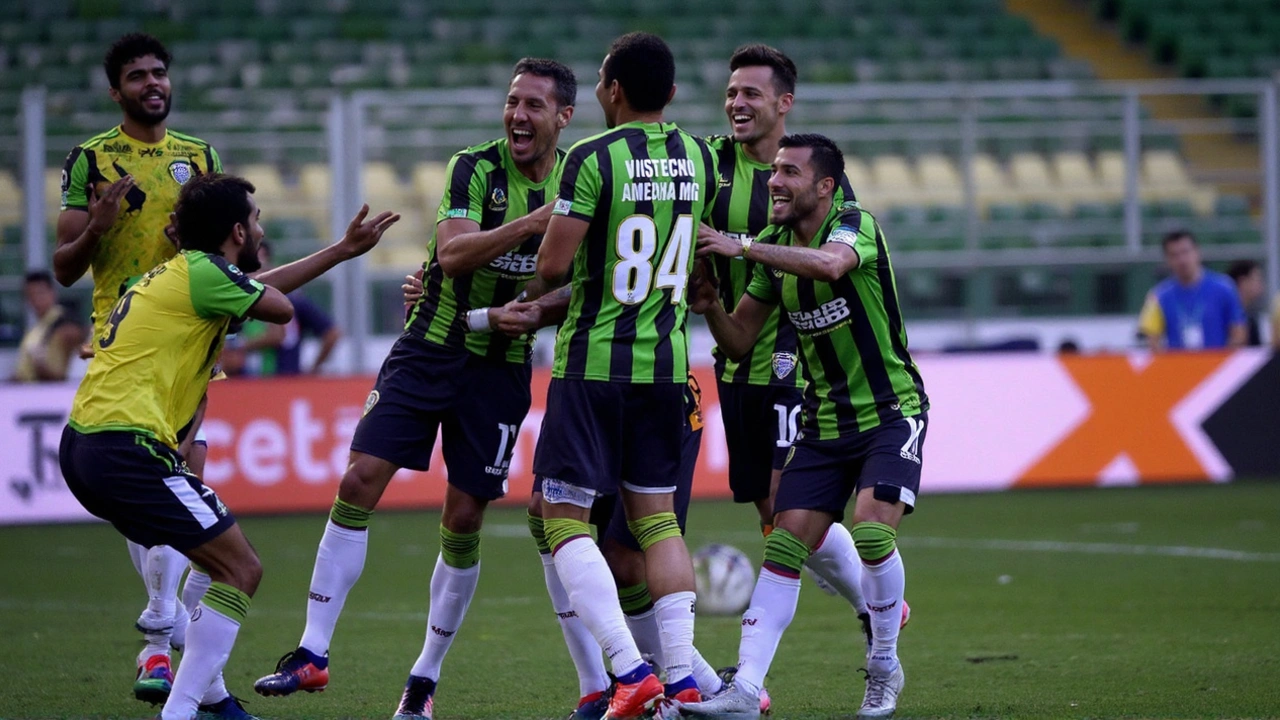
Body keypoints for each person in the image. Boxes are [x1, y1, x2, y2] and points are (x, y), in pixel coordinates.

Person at [252, 58, 577, 720]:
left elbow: (585, 282)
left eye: (533, 105)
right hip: (428, 348)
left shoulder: (583, 178)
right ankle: (313, 652)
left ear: (563, 117)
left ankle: (422, 682)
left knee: (463, 519)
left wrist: (541, 308)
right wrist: (537, 221)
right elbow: (453, 255)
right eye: (512, 100)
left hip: (501, 369)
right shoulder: (475, 167)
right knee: (359, 479)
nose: (516, 114)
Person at [59, 172, 397, 720]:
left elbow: (262, 292)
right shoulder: (205, 274)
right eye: (257, 220)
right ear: (238, 231)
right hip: (126, 448)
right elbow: (281, 310)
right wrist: (333, 254)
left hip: (85, 446)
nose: (261, 229)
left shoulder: (179, 274)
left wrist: (339, 250)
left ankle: (215, 701)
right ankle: (182, 709)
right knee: (240, 569)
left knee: (210, 562)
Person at [681, 134, 928, 720]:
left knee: (871, 534)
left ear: (824, 185)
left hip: (891, 412)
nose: (774, 182)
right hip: (824, 423)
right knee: (786, 539)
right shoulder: (771, 245)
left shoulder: (854, 224)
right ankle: (744, 691)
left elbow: (830, 264)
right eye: (773, 173)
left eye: (789, 172)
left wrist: (739, 249)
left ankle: (884, 667)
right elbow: (740, 342)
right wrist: (712, 304)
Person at [520, 32, 717, 719]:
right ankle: (685, 677)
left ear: (611, 91)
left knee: (559, 516)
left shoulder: (591, 157)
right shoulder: (697, 156)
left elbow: (550, 268)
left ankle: (630, 673)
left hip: (594, 366)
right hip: (667, 366)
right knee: (658, 522)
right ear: (668, 93)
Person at [697, 45, 898, 644]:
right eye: (732, 93)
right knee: (769, 516)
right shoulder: (710, 165)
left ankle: (873, 606)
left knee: (789, 505)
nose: (737, 103)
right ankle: (875, 604)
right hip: (737, 352)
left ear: (784, 103)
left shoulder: (813, 181)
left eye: (751, 94)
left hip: (796, 358)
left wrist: (741, 247)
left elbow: (834, 258)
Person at [52, 32, 224, 707]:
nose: (151, 83)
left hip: (191, 337)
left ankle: (161, 641)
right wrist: (95, 226)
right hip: (120, 344)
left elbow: (223, 240)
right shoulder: (92, 159)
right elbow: (65, 266)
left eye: (158, 73)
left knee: (182, 480)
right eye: (136, 76)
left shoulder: (197, 156)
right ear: (115, 89)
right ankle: (163, 637)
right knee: (151, 495)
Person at [225, 241, 341, 376]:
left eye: (261, 260)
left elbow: (332, 333)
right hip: (246, 385)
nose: (258, 267)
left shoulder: (292, 301)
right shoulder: (234, 299)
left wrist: (313, 370)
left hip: (284, 382)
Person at [1138, 231, 1247, 351]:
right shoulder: (1158, 295)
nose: (1182, 260)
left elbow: (1238, 333)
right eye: (1174, 255)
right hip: (1179, 366)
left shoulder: (1225, 287)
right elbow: (1153, 341)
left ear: (1197, 252)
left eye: (1185, 252)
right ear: (1167, 260)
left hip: (1218, 365)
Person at [11, 270, 86, 382]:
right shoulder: (35, 329)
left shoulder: (64, 324)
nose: (36, 299)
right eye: (31, 295)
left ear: (52, 292)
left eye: (40, 293)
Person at [1227, 259, 1265, 347]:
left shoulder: (1251, 318)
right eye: (1257, 279)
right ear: (1243, 282)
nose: (1261, 284)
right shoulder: (1229, 319)